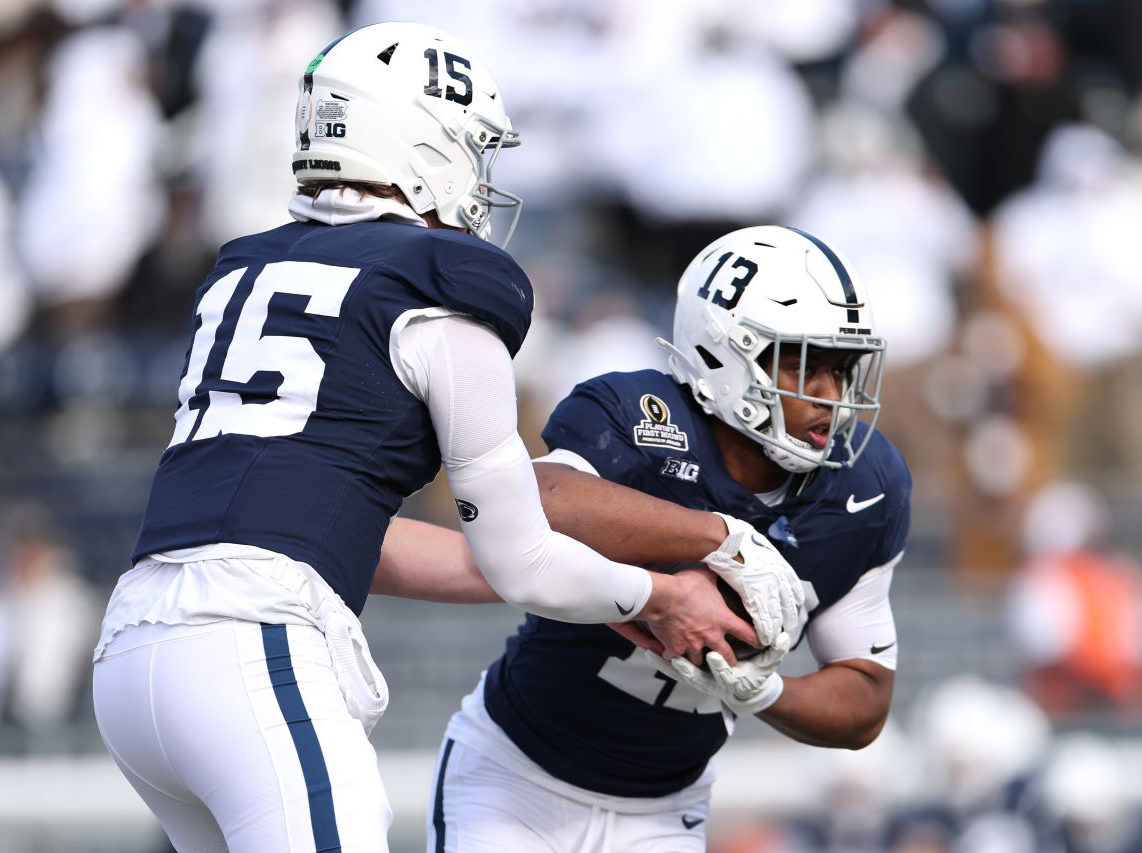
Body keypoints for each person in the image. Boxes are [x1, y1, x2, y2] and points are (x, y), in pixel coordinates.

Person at [91, 23, 803, 853]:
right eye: (471, 148)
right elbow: (522, 556)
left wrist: (604, 586)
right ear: (422, 144)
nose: (479, 175)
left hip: (136, 649)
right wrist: (664, 595)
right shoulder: (437, 283)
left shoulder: (249, 271)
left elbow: (385, 537)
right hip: (252, 641)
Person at [428, 225, 913, 852]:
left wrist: (764, 691)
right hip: (516, 777)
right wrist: (721, 539)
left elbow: (866, 699)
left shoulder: (865, 486)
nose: (830, 396)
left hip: (666, 808)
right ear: (726, 354)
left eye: (842, 368)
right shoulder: (645, 417)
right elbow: (537, 497)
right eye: (804, 363)